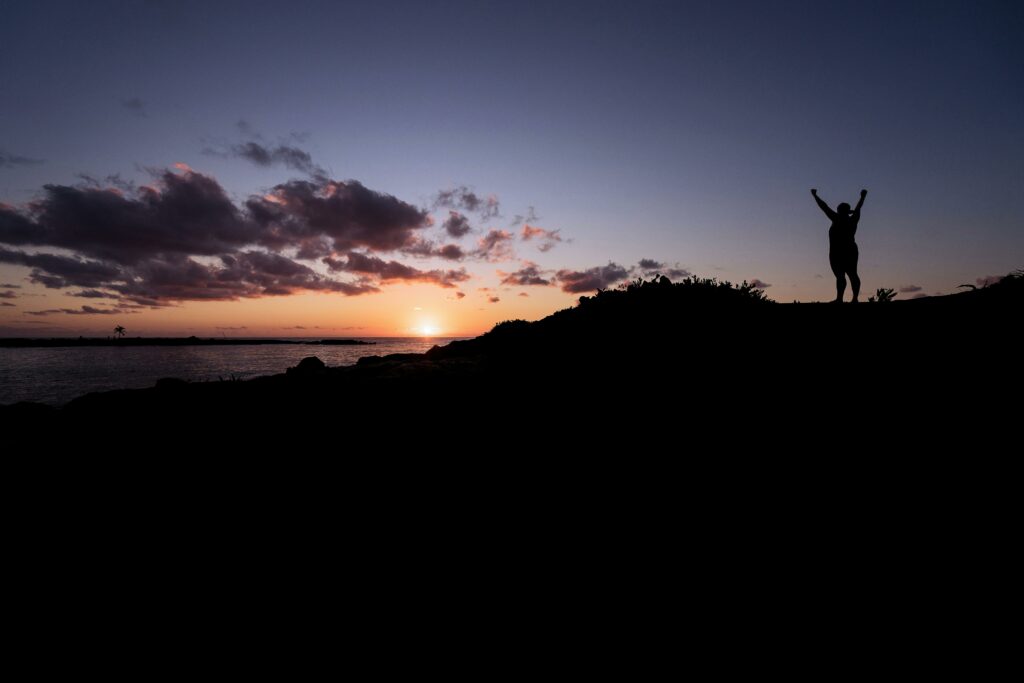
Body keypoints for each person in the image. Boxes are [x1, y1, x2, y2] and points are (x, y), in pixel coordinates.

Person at [812, 188, 867, 303]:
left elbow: (824, 207)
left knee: (846, 275)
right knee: (849, 275)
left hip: (840, 251)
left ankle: (845, 298)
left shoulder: (836, 218)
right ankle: (847, 298)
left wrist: (815, 196)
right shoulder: (853, 219)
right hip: (845, 250)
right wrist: (862, 197)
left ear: (839, 211)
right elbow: (858, 207)